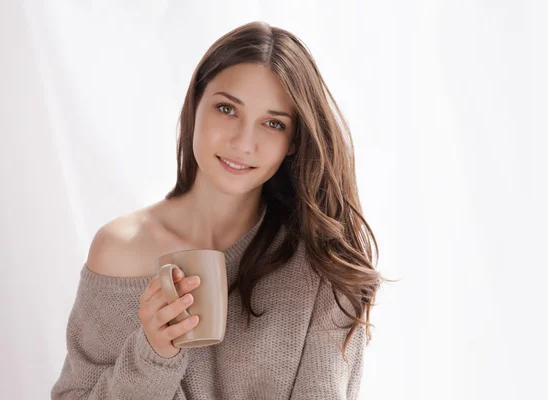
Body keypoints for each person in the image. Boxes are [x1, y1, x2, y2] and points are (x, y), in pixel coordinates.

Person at [51, 21, 385, 400]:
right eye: (227, 109)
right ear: (195, 106)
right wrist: (154, 354)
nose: (244, 142)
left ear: (293, 142)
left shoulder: (322, 263)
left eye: (273, 124)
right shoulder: (120, 251)